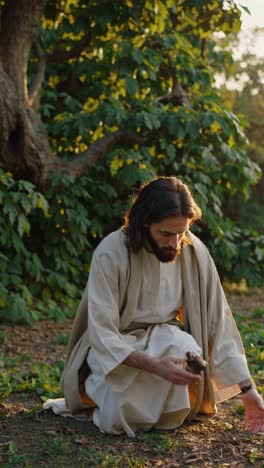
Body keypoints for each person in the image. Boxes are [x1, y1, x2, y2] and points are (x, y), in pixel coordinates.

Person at [60, 176, 264, 437]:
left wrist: (248, 392)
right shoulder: (110, 253)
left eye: (181, 233)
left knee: (186, 348)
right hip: (119, 348)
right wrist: (154, 365)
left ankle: (161, 409)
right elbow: (102, 333)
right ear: (144, 223)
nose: (175, 243)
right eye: (166, 233)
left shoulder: (194, 251)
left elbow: (218, 321)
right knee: (116, 419)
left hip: (165, 336)